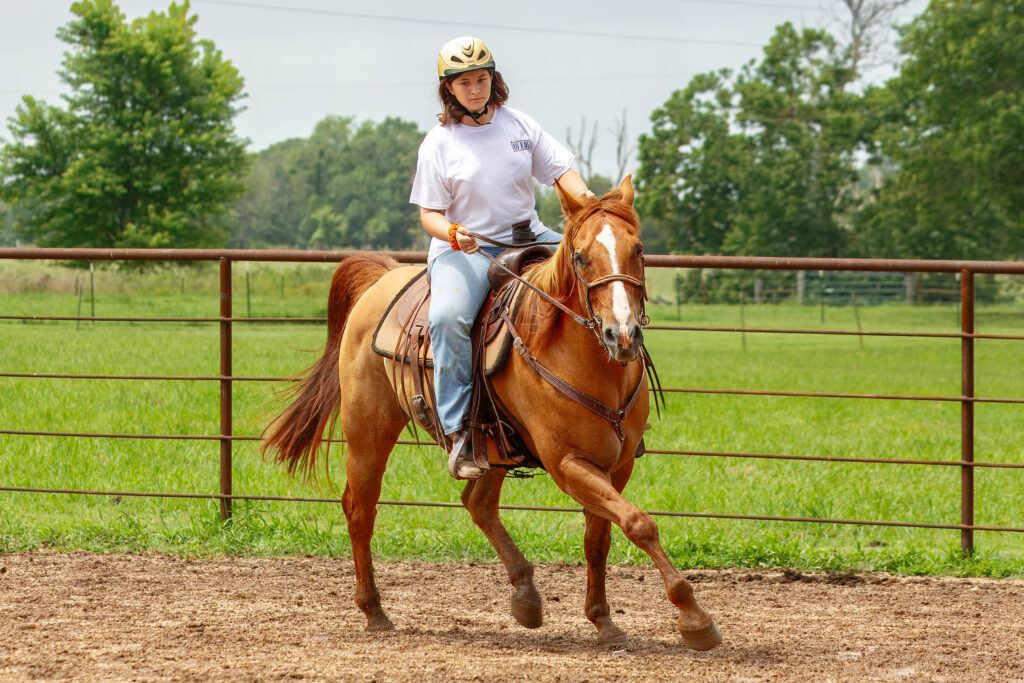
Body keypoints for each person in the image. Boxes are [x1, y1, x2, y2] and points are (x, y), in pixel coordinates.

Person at [409, 36, 595, 480]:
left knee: (601, 277)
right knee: (449, 318)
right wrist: (453, 233)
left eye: (482, 79)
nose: (475, 89)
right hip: (466, 248)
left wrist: (587, 201)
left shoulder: (519, 126)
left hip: (528, 235)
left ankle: (620, 402)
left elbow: (560, 171)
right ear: (448, 90)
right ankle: (458, 432)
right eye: (465, 82)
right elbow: (429, 215)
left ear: (495, 80)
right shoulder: (438, 143)